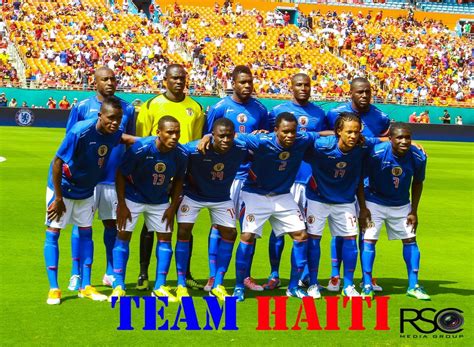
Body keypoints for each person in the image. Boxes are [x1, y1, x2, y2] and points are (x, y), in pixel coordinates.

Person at [44, 96, 126, 305]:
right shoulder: (80, 131)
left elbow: (130, 139)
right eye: (110, 118)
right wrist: (58, 197)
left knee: (86, 234)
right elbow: (57, 162)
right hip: (63, 189)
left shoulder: (113, 134)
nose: (114, 122)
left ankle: (86, 286)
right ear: (100, 115)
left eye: (118, 119)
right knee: (53, 234)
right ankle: (54, 288)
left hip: (86, 191)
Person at [230, 112, 321, 302]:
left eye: (293, 132)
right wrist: (207, 136)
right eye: (285, 132)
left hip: (282, 196)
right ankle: (239, 286)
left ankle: (293, 287)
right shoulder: (261, 141)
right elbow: (235, 136)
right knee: (247, 236)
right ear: (276, 130)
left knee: (301, 235)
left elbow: (322, 134)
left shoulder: (302, 139)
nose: (289, 136)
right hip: (255, 194)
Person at [135, 64, 205, 291]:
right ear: (165, 80)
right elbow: (142, 140)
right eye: (174, 78)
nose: (179, 82)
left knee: (185, 226)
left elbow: (195, 143)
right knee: (151, 225)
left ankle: (185, 274)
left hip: (182, 172)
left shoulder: (195, 107)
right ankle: (144, 273)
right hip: (154, 173)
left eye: (182, 78)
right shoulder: (151, 104)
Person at [65, 67, 136, 291]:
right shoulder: (82, 106)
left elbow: (129, 142)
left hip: (112, 178)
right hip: (86, 179)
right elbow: (70, 140)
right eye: (104, 79)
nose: (110, 82)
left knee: (112, 225)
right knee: (81, 225)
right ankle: (76, 273)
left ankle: (109, 271)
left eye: (113, 79)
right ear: (94, 82)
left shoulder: (128, 109)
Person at [204, 65, 269, 292]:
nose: (247, 86)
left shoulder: (260, 110)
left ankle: (245, 277)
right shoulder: (220, 107)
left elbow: (266, 141)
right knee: (218, 226)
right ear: (232, 83)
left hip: (249, 178)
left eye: (250, 82)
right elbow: (205, 138)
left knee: (248, 229)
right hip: (225, 176)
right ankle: (213, 277)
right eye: (242, 82)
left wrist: (262, 136)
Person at [109, 116, 188, 303]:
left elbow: (178, 181)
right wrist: (121, 204)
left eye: (177, 132)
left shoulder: (181, 154)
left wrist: (172, 206)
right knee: (123, 235)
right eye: (170, 132)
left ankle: (160, 285)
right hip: (133, 197)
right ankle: (118, 284)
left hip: (160, 200)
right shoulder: (140, 149)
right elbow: (120, 174)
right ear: (158, 132)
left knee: (165, 239)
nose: (174, 136)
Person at [304, 112, 381, 299]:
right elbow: (300, 144)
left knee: (350, 241)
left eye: (356, 132)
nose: (353, 136)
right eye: (349, 132)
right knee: (314, 240)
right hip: (318, 199)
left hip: (345, 200)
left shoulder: (362, 145)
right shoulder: (322, 146)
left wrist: (412, 143)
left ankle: (348, 285)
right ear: (338, 131)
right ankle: (313, 283)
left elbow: (386, 140)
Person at [263, 73, 328, 290]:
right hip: (286, 178)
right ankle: (274, 273)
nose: (303, 88)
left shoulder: (320, 113)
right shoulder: (277, 111)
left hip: (310, 178)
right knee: (278, 230)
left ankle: (305, 273)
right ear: (291, 86)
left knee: (307, 230)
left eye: (307, 85)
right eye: (299, 84)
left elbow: (324, 137)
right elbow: (264, 136)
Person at [326, 77, 390, 293]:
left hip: (369, 180)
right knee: (341, 230)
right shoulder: (335, 114)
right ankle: (335, 275)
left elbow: (387, 141)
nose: (364, 95)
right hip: (342, 178)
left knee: (366, 230)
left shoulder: (380, 117)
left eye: (368, 92)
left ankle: (367, 277)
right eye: (360, 92)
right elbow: (327, 139)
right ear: (351, 92)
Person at [176, 118, 248, 301]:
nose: (225, 140)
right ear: (213, 135)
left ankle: (218, 284)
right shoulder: (194, 149)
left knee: (230, 233)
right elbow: (175, 158)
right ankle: (180, 284)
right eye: (221, 136)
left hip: (221, 197)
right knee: (183, 231)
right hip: (193, 195)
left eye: (229, 136)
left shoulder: (239, 147)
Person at [360, 123, 430, 300]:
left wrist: (414, 210)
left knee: (410, 240)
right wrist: (363, 208)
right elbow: (360, 179)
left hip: (401, 204)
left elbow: (418, 182)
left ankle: (413, 285)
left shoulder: (418, 156)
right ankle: (367, 284)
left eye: (407, 137)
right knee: (369, 240)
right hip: (374, 201)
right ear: (390, 139)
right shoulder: (376, 154)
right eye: (399, 137)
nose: (404, 141)